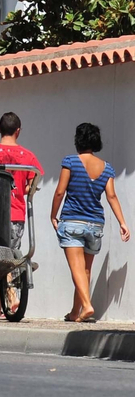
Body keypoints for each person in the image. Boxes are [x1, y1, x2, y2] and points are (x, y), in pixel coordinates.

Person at [50, 122, 130, 323]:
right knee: (85, 270)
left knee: (77, 270)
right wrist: (122, 222)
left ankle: (87, 305)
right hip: (95, 225)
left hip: (72, 221)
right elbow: (111, 196)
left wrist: (53, 214)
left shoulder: (70, 161)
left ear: (78, 140)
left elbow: (60, 191)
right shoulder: (107, 168)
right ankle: (75, 313)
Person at [0, 111, 43, 320]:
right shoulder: (28, 156)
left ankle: (1, 305)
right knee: (10, 256)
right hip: (16, 213)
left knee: (3, 257)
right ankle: (8, 298)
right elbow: (31, 186)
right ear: (18, 131)